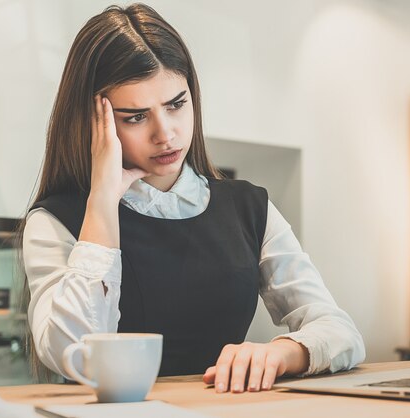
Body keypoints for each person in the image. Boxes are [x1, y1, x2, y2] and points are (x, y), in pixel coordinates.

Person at [20, 3, 365, 393]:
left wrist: (283, 352)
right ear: (91, 122)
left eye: (176, 104)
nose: (165, 133)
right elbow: (76, 354)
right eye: (135, 116)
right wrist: (102, 199)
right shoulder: (54, 221)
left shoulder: (249, 208)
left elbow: (341, 331)